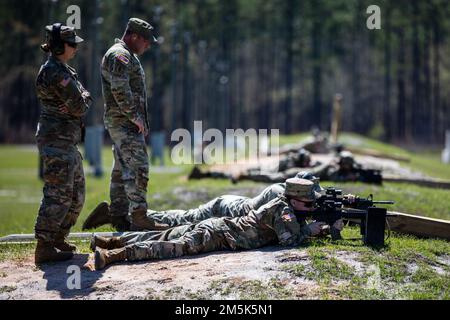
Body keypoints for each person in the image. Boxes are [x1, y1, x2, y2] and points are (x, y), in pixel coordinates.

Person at [89, 178, 329, 270]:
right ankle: (115, 255)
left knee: (168, 234)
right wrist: (312, 230)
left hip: (218, 226)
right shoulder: (283, 210)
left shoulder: (282, 204)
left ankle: (110, 241)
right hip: (219, 234)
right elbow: (290, 241)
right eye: (308, 205)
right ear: (295, 200)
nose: (310, 208)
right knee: (170, 246)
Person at [82, 172, 324, 231]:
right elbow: (285, 225)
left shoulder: (287, 193)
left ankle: (121, 215)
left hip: (231, 205)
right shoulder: (278, 193)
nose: (312, 201)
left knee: (181, 216)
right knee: (180, 220)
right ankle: (117, 215)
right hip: (223, 209)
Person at [34, 23, 91, 263]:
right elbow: (80, 106)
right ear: (58, 46)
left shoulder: (65, 70)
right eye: (71, 44)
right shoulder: (54, 72)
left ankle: (58, 238)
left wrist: (82, 98)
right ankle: (44, 245)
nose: (75, 48)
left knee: (76, 194)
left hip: (67, 141)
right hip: (56, 140)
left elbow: (80, 101)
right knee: (58, 193)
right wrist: (82, 99)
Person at [101, 18, 157, 231]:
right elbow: (120, 89)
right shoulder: (120, 55)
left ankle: (118, 215)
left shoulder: (126, 54)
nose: (148, 45)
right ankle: (139, 217)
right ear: (134, 36)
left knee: (120, 169)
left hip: (123, 122)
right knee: (138, 166)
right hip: (123, 122)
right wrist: (135, 117)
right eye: (146, 41)